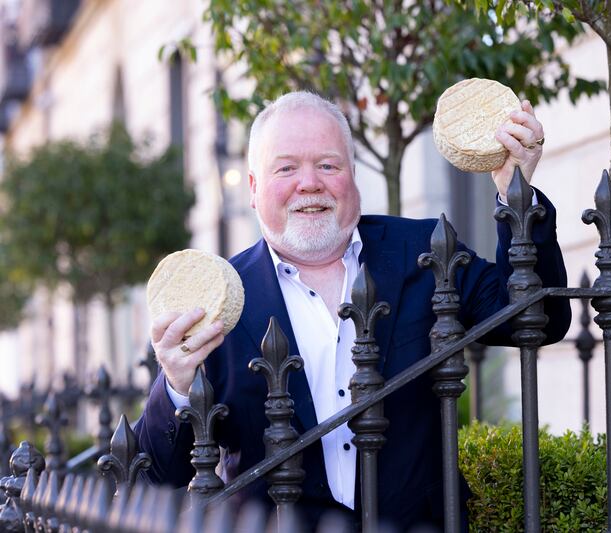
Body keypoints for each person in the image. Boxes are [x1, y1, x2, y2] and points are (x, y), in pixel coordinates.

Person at [135, 91, 570, 531]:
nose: (309, 183)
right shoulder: (217, 302)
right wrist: (175, 384)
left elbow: (538, 319)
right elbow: (150, 478)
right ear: (253, 187)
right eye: (286, 168)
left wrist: (517, 195)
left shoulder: (425, 252)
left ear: (352, 175)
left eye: (328, 164)